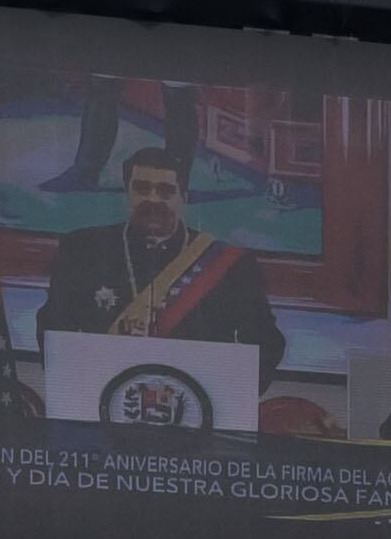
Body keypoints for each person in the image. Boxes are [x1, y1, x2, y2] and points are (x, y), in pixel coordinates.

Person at [36, 140, 284, 386]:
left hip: (196, 404)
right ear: (127, 193)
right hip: (104, 400)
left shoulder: (231, 265)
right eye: (142, 189)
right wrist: (79, 391)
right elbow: (52, 334)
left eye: (166, 191)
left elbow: (268, 347)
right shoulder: (83, 250)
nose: (153, 199)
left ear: (183, 198)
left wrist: (226, 397)